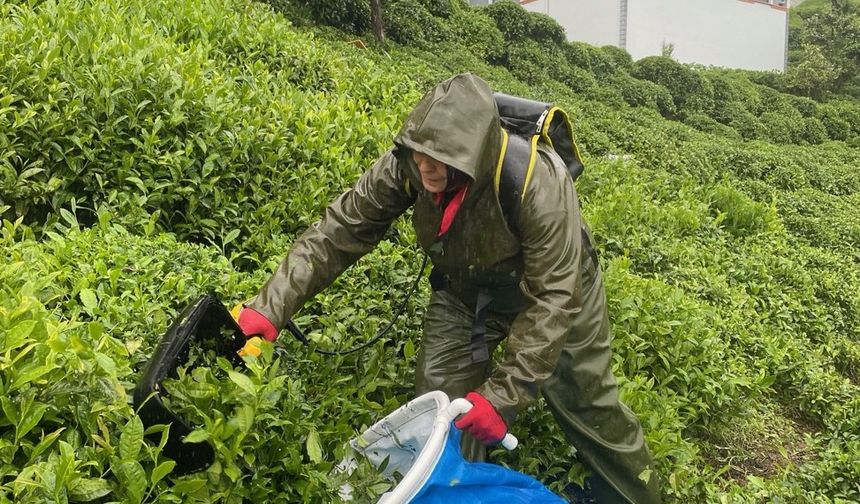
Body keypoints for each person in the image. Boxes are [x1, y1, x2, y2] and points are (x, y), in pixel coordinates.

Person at [236, 73, 661, 504]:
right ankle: (464, 483)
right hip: (471, 295)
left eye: (441, 160)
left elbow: (554, 296)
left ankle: (634, 495)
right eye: (419, 154)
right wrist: (270, 308)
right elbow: (340, 229)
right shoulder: (408, 165)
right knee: (443, 411)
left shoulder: (537, 182)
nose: (425, 168)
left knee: (588, 402)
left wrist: (503, 396)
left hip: (560, 293)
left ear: (476, 153)